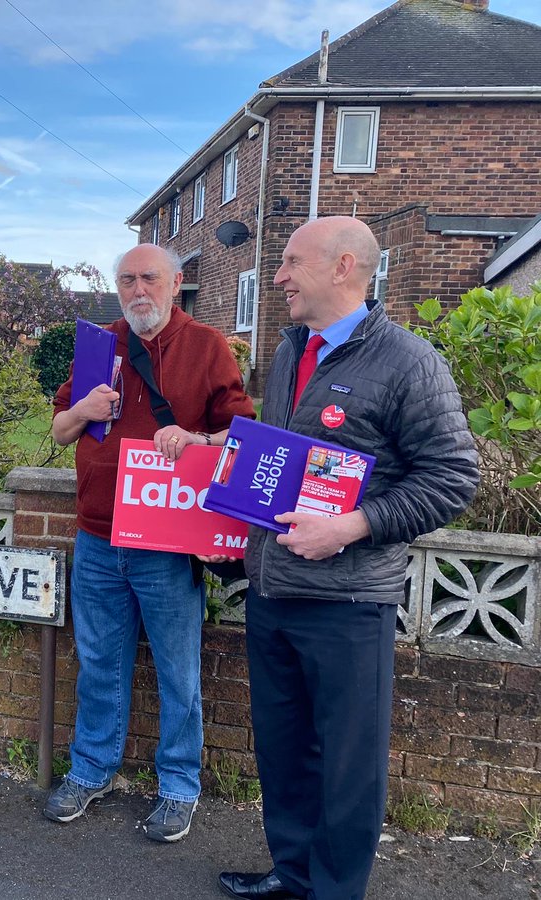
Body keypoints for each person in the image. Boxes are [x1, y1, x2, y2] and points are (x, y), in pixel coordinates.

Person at [217, 217, 478, 899]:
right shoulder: (286, 353)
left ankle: (335, 891)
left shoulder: (408, 360)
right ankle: (293, 872)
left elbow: (452, 476)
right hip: (272, 592)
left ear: (342, 268)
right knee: (283, 751)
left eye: (291, 262)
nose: (277, 277)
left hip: (348, 602)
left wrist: (353, 525)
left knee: (347, 765)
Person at [49, 243, 255, 842]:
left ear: (175, 282)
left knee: (177, 671)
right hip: (96, 536)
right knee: (98, 666)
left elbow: (240, 435)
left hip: (166, 539)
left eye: (150, 278)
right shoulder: (98, 344)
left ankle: (178, 786)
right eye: (127, 280)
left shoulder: (208, 346)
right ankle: (91, 771)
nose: (138, 290)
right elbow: (62, 433)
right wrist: (84, 407)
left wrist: (193, 438)